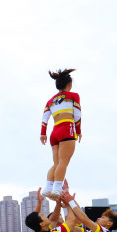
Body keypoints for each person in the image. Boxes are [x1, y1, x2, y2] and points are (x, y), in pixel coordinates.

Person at [40, 69, 82, 197]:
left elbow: (45, 118)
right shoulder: (74, 96)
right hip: (66, 128)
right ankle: (57, 189)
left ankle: (48, 187)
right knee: (64, 162)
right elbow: (77, 115)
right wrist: (78, 131)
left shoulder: (50, 101)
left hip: (54, 132)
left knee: (57, 163)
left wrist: (43, 133)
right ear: (69, 84)